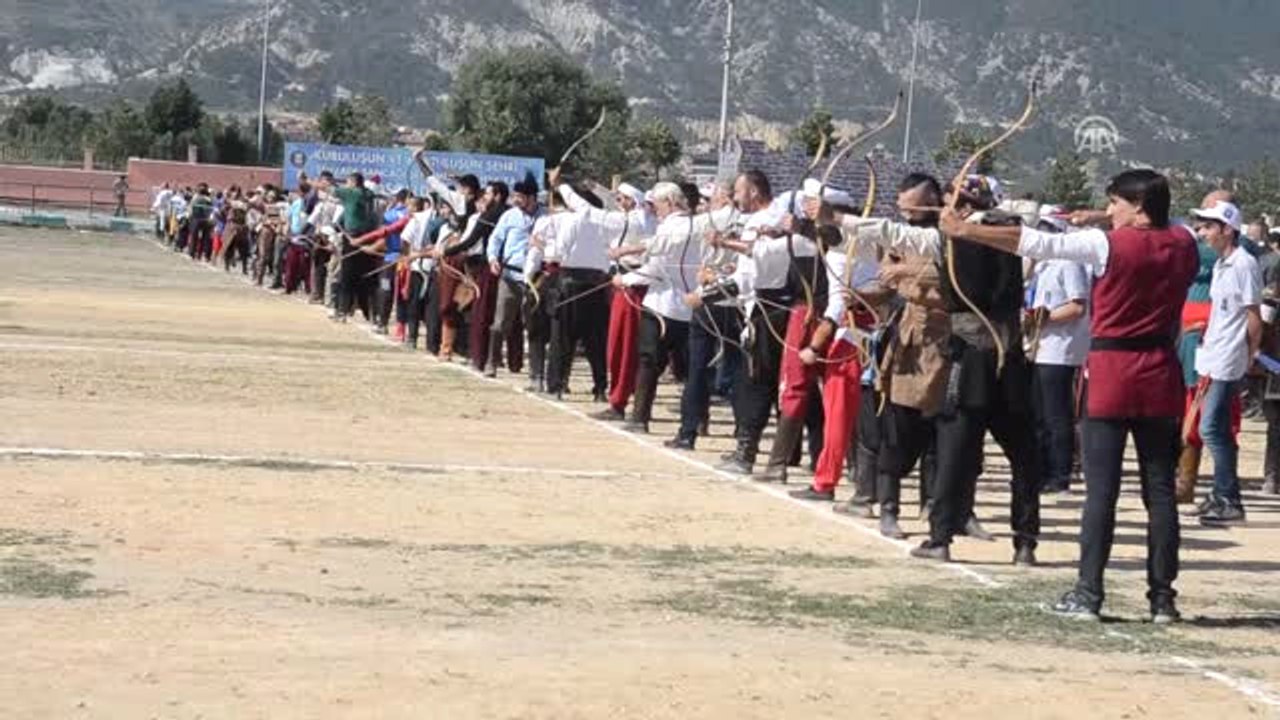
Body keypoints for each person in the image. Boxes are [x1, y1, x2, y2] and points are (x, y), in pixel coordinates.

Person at [939, 168, 1197, 623]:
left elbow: (1039, 243)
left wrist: (965, 231)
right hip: (1160, 373)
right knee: (1159, 491)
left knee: (1101, 491)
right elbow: (1164, 223)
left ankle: (1088, 592)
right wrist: (1103, 215)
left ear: (1137, 207)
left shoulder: (1108, 245)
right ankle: (1163, 599)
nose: (1109, 210)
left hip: (1114, 373)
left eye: (1115, 202)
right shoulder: (1184, 242)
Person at [1188, 200, 1262, 526]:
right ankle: (1222, 494)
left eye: (1209, 226)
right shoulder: (1222, 264)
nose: (1203, 232)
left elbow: (1253, 315)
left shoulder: (1244, 264)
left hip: (1228, 358)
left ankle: (1229, 499)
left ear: (1227, 229)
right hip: (1212, 354)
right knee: (1215, 428)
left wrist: (1251, 353)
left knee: (1210, 428)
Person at [1027, 213, 1091, 496]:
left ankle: (1059, 473)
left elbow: (1077, 306)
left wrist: (1046, 318)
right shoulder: (1042, 266)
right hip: (1040, 346)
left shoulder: (1069, 262)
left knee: (1056, 414)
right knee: (1039, 413)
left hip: (1060, 348)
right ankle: (1041, 470)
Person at [488, 175, 542, 388]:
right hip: (510, 275)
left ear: (532, 197)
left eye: (520, 196)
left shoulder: (546, 217)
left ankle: (536, 374)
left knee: (534, 325)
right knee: (500, 322)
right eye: (515, 196)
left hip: (536, 279)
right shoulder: (509, 216)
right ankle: (492, 363)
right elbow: (495, 239)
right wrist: (493, 258)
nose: (515, 200)